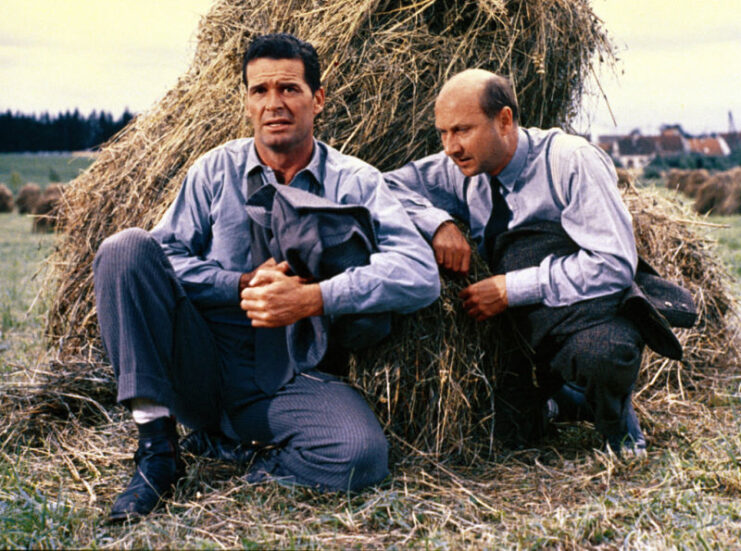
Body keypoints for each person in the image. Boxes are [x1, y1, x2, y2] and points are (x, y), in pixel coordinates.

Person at [93, 33, 440, 521]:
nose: (274, 104)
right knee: (124, 247)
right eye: (260, 91)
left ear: (317, 99)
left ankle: (248, 457)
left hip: (295, 375)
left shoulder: (356, 180)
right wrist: (235, 284)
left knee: (361, 455)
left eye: (289, 89)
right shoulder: (215, 170)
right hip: (204, 364)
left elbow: (420, 273)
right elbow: (164, 253)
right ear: (246, 101)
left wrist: (313, 298)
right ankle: (157, 454)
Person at [384, 69, 651, 455]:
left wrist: (511, 288)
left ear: (504, 120)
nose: (450, 147)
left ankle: (616, 420)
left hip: (578, 311)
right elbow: (382, 185)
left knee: (603, 354)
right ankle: (562, 402)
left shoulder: (570, 161)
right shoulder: (458, 168)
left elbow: (613, 264)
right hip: (511, 328)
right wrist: (437, 223)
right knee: (506, 436)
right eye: (442, 133)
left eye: (461, 130)